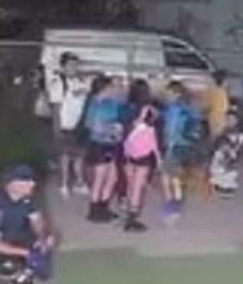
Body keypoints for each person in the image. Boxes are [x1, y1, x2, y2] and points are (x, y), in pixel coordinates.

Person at [46, 52, 91, 198]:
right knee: (65, 156)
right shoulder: (58, 83)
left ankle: (79, 182)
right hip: (66, 125)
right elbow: (56, 108)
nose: (73, 68)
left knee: (79, 156)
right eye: (70, 65)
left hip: (80, 126)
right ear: (63, 66)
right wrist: (56, 128)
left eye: (75, 65)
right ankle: (64, 184)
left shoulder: (81, 82)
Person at [83, 75, 124, 223]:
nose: (113, 90)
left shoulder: (110, 103)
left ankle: (103, 205)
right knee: (100, 177)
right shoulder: (96, 104)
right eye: (110, 87)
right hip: (100, 143)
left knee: (112, 176)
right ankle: (94, 209)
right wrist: (112, 129)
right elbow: (94, 126)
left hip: (110, 142)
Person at [160, 81, 201, 224]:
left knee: (166, 176)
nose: (166, 96)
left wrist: (167, 145)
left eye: (168, 93)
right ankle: (176, 204)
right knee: (177, 177)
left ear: (176, 94)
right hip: (186, 146)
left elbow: (170, 130)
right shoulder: (189, 108)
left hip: (174, 145)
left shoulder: (173, 109)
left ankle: (171, 206)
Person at [121, 79, 160, 232]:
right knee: (139, 185)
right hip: (144, 152)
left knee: (130, 183)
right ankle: (132, 218)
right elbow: (153, 132)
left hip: (127, 150)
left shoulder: (126, 108)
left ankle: (127, 212)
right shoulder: (150, 110)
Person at [209, 107, 243, 197]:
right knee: (220, 172)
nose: (230, 121)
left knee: (228, 173)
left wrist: (229, 149)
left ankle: (227, 189)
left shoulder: (239, 133)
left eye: (233, 119)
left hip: (229, 157)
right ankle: (221, 187)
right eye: (228, 119)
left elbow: (237, 146)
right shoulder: (224, 130)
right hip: (221, 156)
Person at [204, 70, 231, 141]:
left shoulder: (214, 92)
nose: (228, 83)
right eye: (226, 80)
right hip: (218, 120)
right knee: (217, 139)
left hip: (216, 119)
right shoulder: (219, 92)